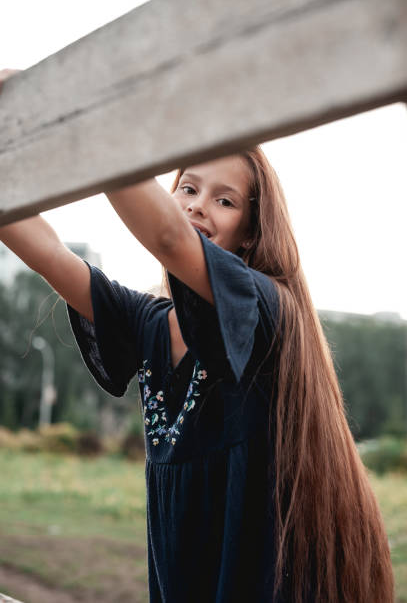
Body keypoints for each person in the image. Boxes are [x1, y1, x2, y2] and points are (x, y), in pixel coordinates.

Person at [0, 69, 394, 602]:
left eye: (224, 200)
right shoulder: (148, 324)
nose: (197, 206)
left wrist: (68, 98)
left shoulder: (267, 308)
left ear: (251, 233)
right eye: (187, 188)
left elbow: (166, 233)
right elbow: (48, 253)